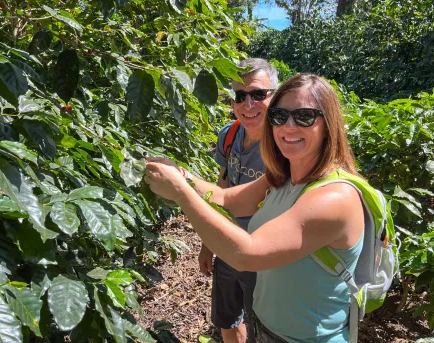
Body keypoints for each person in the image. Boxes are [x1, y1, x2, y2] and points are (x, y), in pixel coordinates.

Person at [145, 73, 364, 342]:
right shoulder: (284, 175)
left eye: (304, 116)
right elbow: (229, 199)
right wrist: (184, 176)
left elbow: (246, 255)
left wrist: (180, 193)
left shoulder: (334, 197)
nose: (289, 126)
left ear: (329, 123)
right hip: (266, 327)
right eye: (279, 116)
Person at [178, 58, 278, 343]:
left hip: (267, 255)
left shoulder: (284, 143)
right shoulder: (229, 134)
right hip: (229, 243)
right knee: (226, 317)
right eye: (240, 96)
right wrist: (208, 245)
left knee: (264, 327)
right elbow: (223, 187)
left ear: (275, 95)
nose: (248, 104)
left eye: (258, 94)